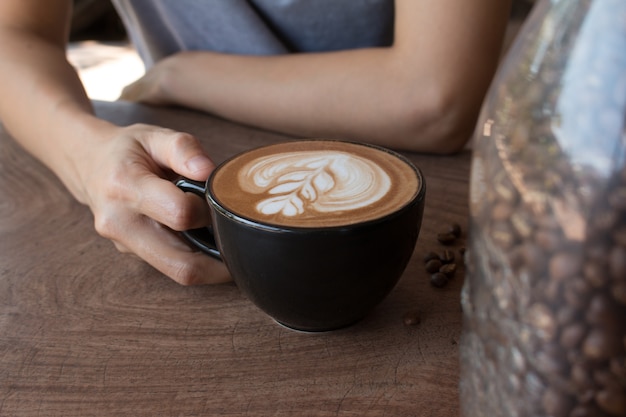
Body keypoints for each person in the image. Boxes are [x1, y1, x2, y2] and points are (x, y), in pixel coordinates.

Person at [0, 0, 512, 285]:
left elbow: (435, 97)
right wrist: (85, 150)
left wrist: (185, 74)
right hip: (183, 170)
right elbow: (15, 33)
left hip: (410, 183)